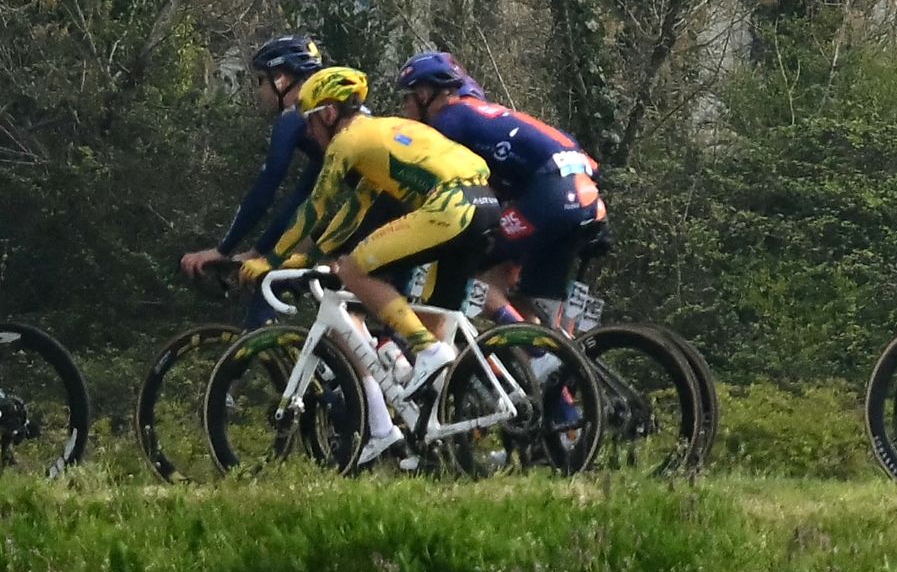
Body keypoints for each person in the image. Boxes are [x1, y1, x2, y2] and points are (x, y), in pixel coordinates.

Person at [254, 65, 503, 463]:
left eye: (312, 120)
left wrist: (270, 259)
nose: (311, 131)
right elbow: (354, 210)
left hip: (449, 205)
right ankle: (447, 445)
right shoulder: (382, 135)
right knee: (434, 319)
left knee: (354, 269)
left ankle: (425, 352)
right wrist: (309, 256)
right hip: (484, 202)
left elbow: (313, 208)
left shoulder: (346, 141)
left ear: (329, 113)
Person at [386, 55, 614, 330]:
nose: (405, 107)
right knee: (527, 293)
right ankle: (558, 360)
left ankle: (536, 351)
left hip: (553, 191)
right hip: (581, 192)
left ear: (425, 94)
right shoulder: (483, 115)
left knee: (473, 273)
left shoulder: (449, 120)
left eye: (408, 97)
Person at [185, 35, 334, 294]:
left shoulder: (295, 117)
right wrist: (258, 251)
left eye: (261, 80)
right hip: (394, 206)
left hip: (387, 211)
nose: (258, 90)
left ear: (282, 80)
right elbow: (302, 198)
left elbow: (266, 188)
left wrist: (223, 249)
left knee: (278, 281)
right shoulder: (322, 119)